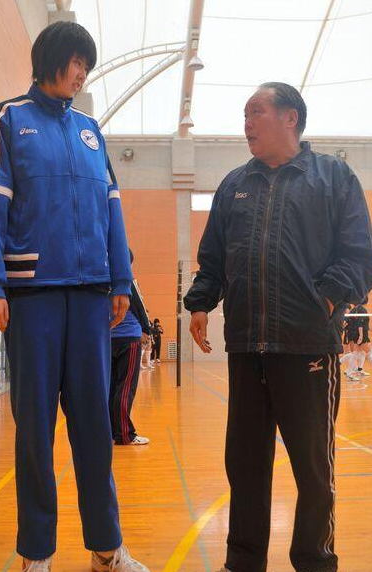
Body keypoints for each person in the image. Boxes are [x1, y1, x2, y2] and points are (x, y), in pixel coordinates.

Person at [0, 21, 149, 572]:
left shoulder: (91, 131)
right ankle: (36, 553)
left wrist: (121, 281)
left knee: (95, 427)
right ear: (50, 58)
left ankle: (106, 549)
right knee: (35, 431)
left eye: (87, 67)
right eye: (77, 62)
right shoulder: (8, 119)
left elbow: (112, 210)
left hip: (92, 298)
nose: (82, 75)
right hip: (33, 299)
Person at [184, 82, 372, 572]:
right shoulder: (234, 185)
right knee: (245, 467)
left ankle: (314, 561)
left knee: (313, 471)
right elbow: (213, 257)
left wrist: (324, 299)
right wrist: (201, 303)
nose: (246, 123)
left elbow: (358, 255)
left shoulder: (333, 178)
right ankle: (243, 561)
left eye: (256, 112)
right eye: (244, 114)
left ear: (291, 117)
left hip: (307, 347)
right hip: (247, 348)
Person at [110, 249, 151, 445]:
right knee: (125, 387)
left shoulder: (101, 281)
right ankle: (125, 434)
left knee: (111, 388)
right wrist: (147, 330)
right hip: (128, 338)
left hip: (107, 339)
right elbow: (139, 307)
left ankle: (112, 431)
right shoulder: (126, 280)